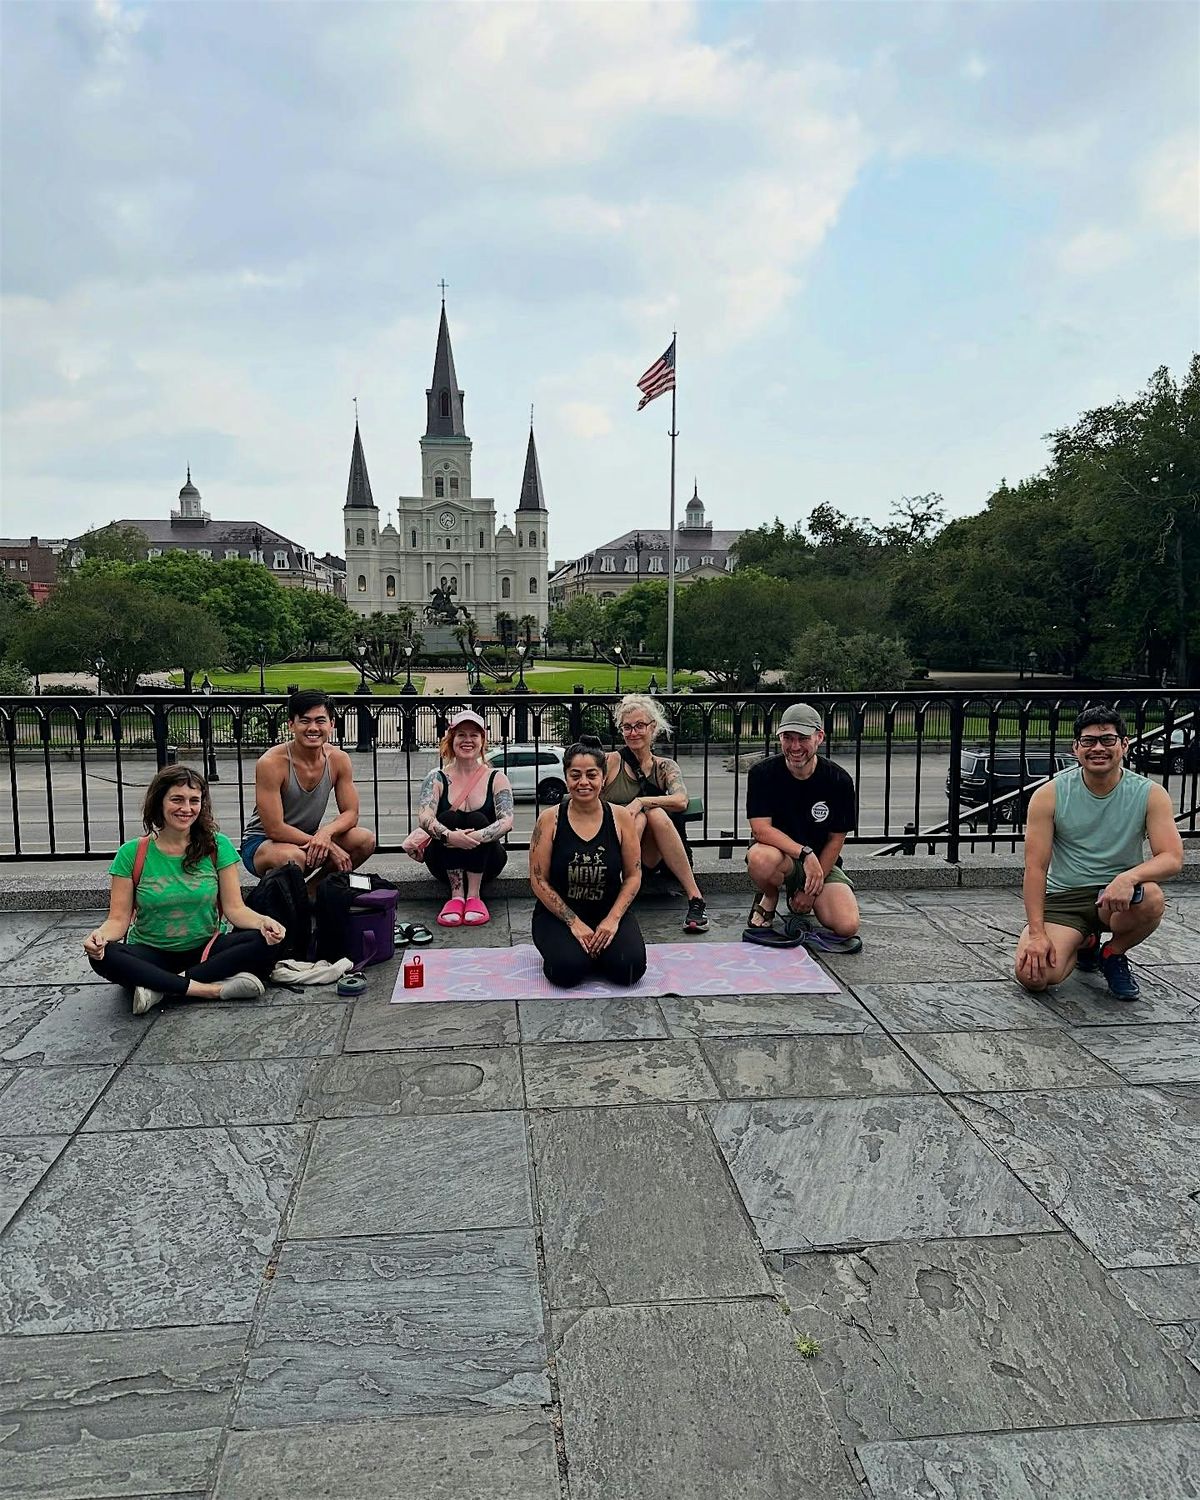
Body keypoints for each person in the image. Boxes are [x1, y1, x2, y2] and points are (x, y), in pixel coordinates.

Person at [84, 766, 286, 1015]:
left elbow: (235, 909)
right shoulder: (132, 853)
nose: (186, 808)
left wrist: (264, 921)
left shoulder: (217, 846)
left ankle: (159, 986)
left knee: (265, 940)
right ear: (159, 802)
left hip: (206, 949)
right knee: (104, 956)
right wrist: (99, 937)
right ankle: (208, 989)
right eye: (177, 799)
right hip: (151, 952)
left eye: (194, 801)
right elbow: (118, 920)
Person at [1015, 706, 1183, 999]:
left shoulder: (1149, 793)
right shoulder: (1050, 794)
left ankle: (1112, 953)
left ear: (1124, 744)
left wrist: (1128, 878)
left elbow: (1171, 857)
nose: (1098, 748)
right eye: (1089, 741)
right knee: (1035, 976)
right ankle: (1085, 943)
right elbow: (1035, 868)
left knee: (1152, 897)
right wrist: (1037, 934)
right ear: (1076, 748)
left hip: (1117, 898)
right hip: (1066, 896)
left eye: (1107, 740)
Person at [530, 735, 647, 987]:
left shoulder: (621, 818)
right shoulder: (550, 820)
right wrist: (574, 922)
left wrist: (612, 920)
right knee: (567, 971)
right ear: (566, 777)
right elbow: (538, 879)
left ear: (603, 778)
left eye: (591, 775)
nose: (583, 782)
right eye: (575, 775)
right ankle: (581, 953)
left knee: (629, 969)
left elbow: (633, 876)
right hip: (560, 915)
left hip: (607, 910)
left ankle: (596, 952)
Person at [744, 701, 861, 945]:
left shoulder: (838, 780)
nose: (795, 747)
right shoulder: (762, 774)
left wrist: (811, 889)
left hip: (821, 862)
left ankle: (805, 895)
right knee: (759, 857)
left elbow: (837, 838)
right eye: (788, 738)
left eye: (803, 738)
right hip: (782, 856)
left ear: (819, 737)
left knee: (846, 926)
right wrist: (805, 854)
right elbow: (760, 829)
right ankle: (770, 895)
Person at [601, 693, 709, 933]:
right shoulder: (609, 763)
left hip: (656, 855)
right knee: (641, 817)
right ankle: (616, 892)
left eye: (640, 726)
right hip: (616, 849)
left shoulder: (665, 767)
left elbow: (681, 800)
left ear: (653, 728)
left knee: (654, 814)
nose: (633, 733)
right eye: (627, 727)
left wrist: (641, 801)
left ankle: (695, 898)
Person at [240, 689, 376, 878]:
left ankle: (312, 892)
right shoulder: (271, 763)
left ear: (332, 724)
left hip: (309, 837)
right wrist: (327, 845)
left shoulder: (338, 759)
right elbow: (275, 828)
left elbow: (351, 813)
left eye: (320, 721)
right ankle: (284, 899)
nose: (313, 728)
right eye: (304, 721)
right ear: (291, 725)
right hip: (263, 842)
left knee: (364, 839)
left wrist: (326, 834)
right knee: (292, 859)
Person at [415, 709, 513, 926]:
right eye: (461, 734)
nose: (467, 740)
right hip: (442, 861)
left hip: (488, 862)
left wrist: (475, 837)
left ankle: (474, 896)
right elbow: (424, 816)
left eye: (473, 735)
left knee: (478, 818)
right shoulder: (437, 777)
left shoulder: (496, 778)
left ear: (482, 741)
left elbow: (506, 821)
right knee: (449, 817)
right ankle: (456, 895)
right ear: (451, 740)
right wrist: (450, 836)